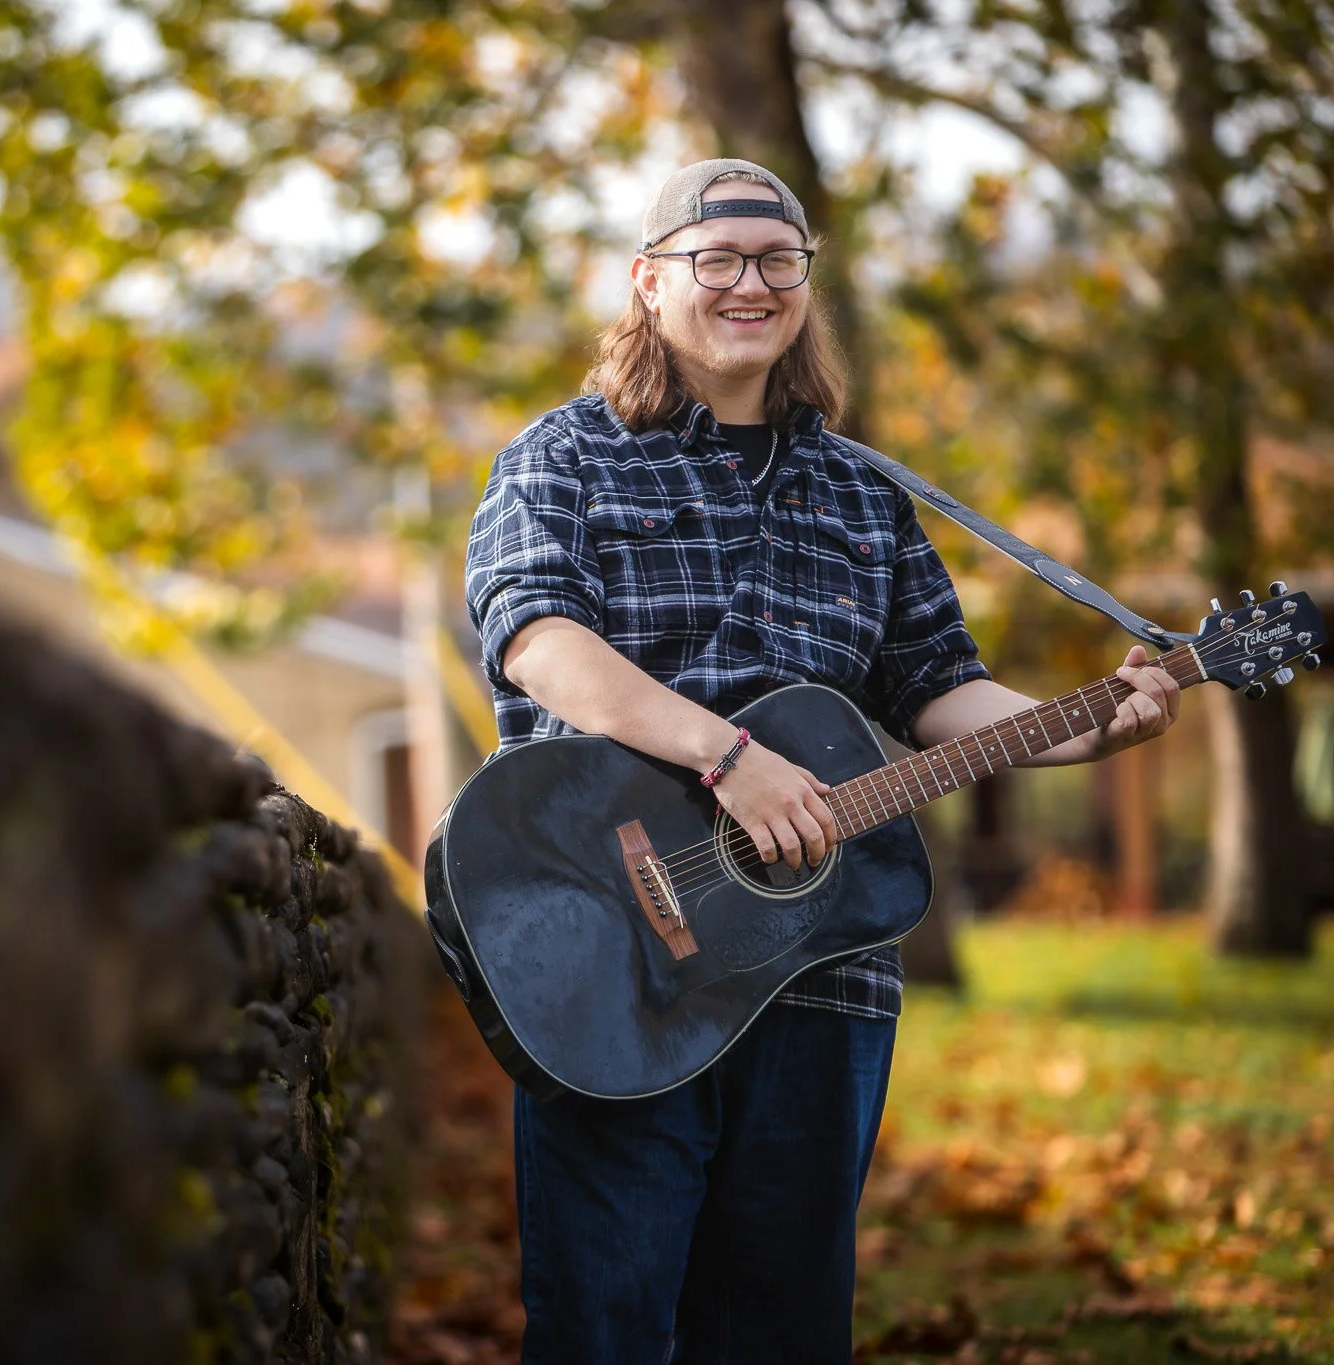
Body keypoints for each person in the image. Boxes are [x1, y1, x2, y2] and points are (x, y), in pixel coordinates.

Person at [462, 158, 1182, 1363]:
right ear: (647, 282)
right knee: (604, 1328)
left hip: (820, 967)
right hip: (605, 956)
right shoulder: (563, 456)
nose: (751, 283)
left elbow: (938, 687)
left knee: (784, 1333)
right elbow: (538, 645)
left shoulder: (864, 493)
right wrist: (725, 754)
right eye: (717, 259)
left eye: (777, 261)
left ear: (805, 282)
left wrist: (1090, 724)